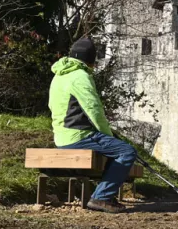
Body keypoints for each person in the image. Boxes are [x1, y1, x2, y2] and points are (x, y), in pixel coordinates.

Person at [49, 37, 136, 213]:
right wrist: (108, 134)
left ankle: (105, 195)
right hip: (77, 135)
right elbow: (94, 110)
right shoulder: (80, 76)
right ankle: (101, 198)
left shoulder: (59, 75)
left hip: (61, 136)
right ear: (90, 60)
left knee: (116, 150)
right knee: (126, 152)